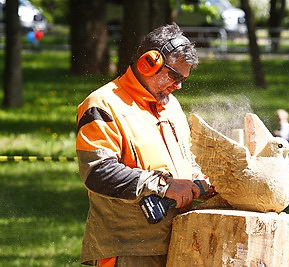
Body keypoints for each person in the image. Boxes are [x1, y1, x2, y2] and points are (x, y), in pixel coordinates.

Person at [76, 23, 208, 266]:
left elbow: (185, 158)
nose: (178, 85)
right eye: (174, 76)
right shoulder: (104, 104)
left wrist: (203, 182)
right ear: (149, 62)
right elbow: (98, 172)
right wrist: (164, 186)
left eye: (183, 79)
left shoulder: (171, 106)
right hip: (127, 248)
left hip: (176, 241)